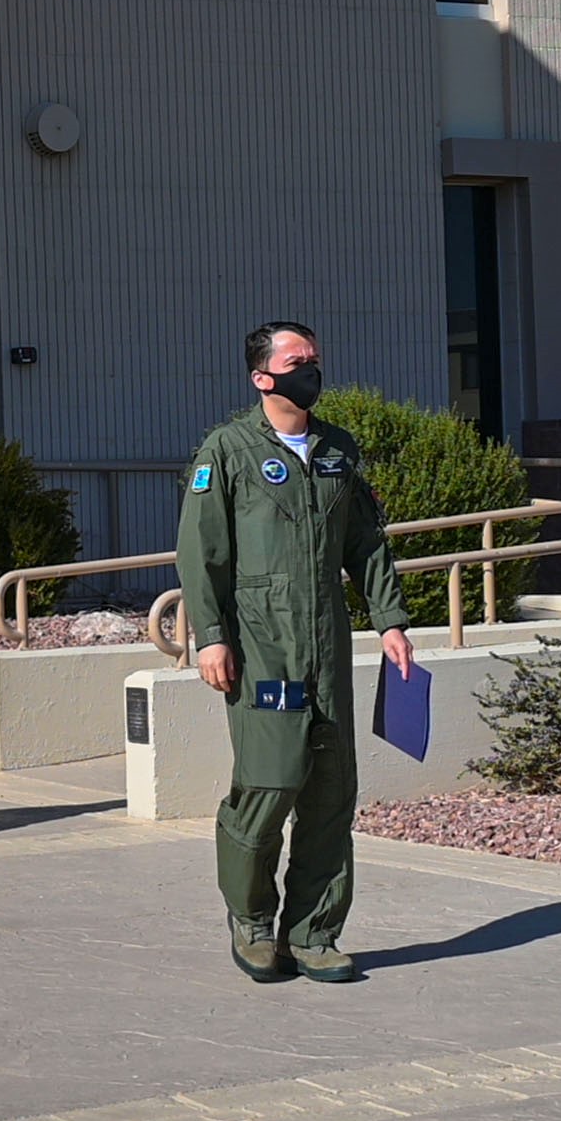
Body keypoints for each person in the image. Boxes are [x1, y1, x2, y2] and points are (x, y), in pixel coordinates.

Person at [177, 321, 417, 985]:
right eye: (296, 361)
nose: (310, 369)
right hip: (261, 645)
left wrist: (390, 620)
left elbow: (366, 543)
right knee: (269, 782)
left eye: (313, 359)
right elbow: (201, 554)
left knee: (332, 793)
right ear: (262, 377)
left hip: (327, 646)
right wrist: (212, 636)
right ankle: (252, 922)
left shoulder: (337, 449)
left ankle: (313, 933)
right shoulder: (225, 452)